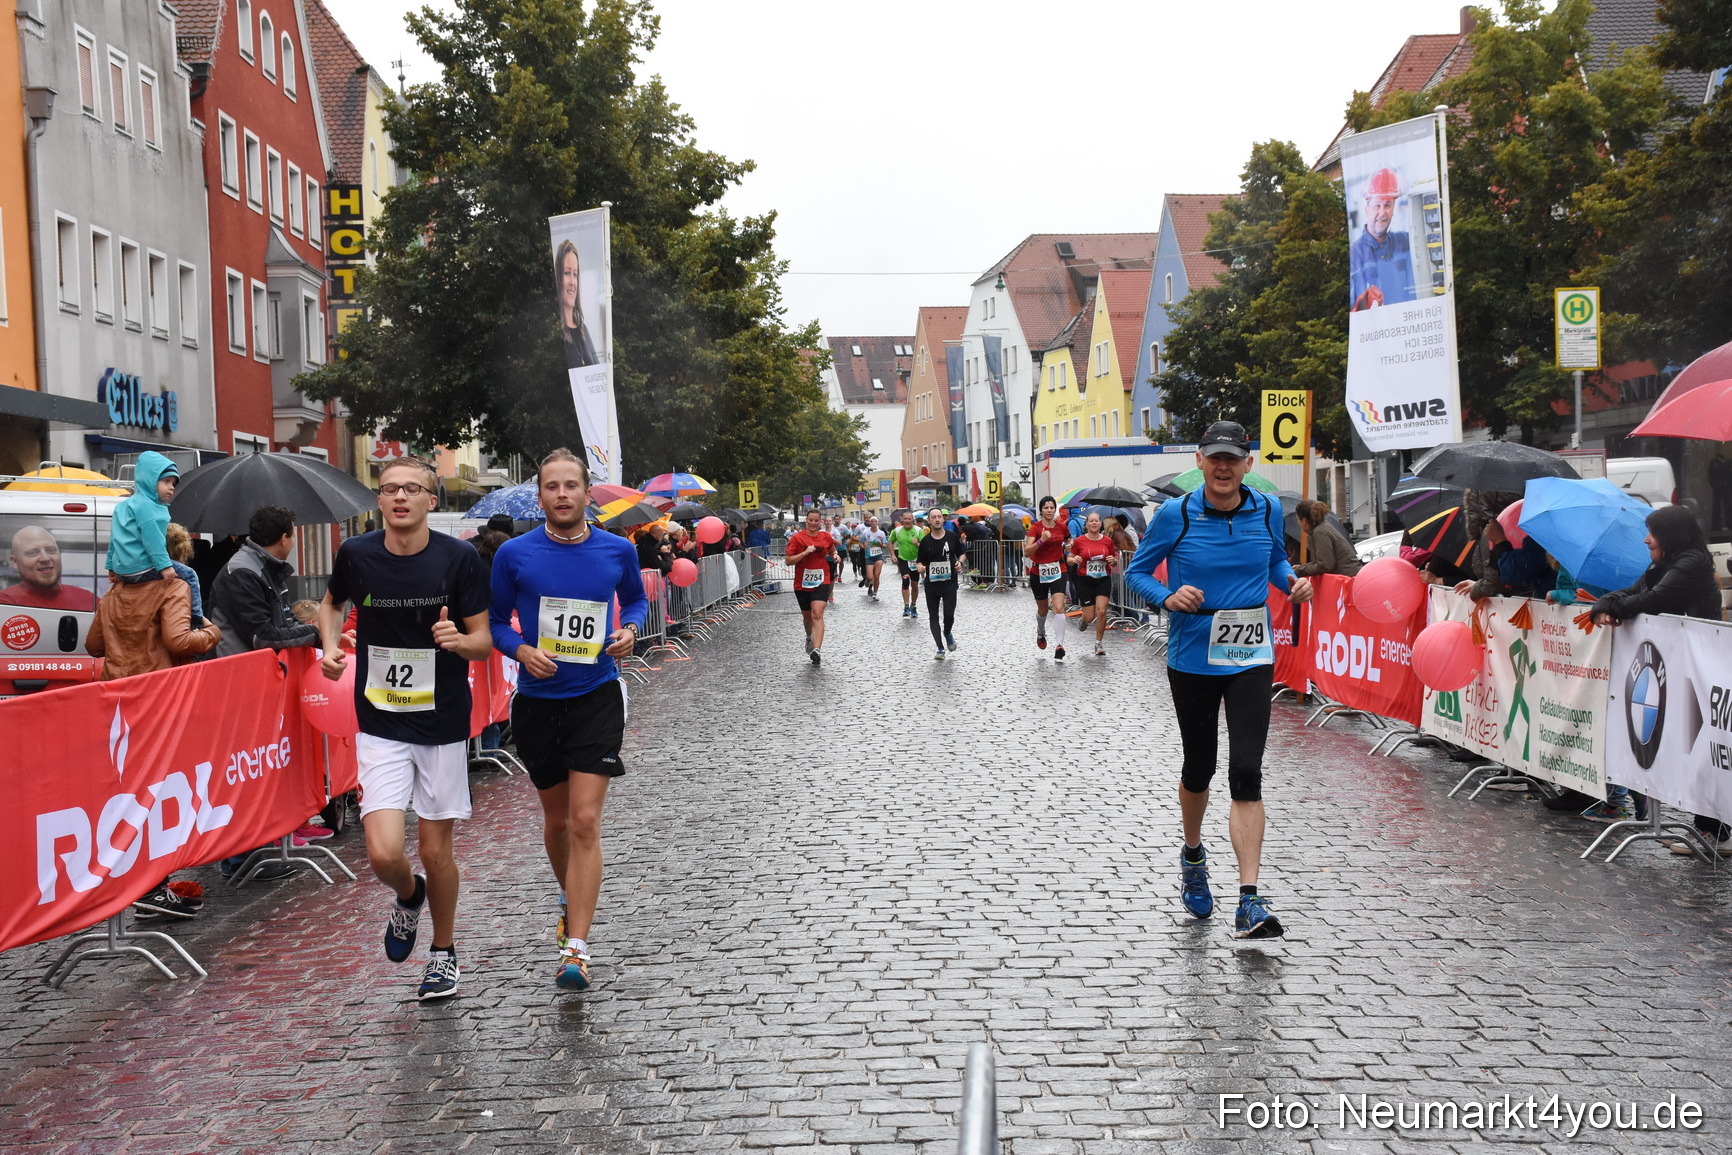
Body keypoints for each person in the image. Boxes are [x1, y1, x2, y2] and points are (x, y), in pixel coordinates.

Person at [1125, 421, 1315, 939]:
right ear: (1201, 461)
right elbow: (1136, 572)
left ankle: (1249, 900)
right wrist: (1166, 596)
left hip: (1252, 654)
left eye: (1233, 458)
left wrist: (1291, 583)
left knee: (1247, 771)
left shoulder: (1266, 509)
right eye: (1215, 458)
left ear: (1247, 463)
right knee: (1200, 765)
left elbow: (1275, 560)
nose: (1224, 467)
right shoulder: (1175, 513)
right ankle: (1192, 854)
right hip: (1193, 657)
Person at [317, 456, 492, 1001]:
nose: (399, 498)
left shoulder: (459, 558)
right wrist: (328, 647)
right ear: (379, 499)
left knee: (437, 850)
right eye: (389, 489)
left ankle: (442, 953)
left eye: (411, 489)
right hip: (380, 720)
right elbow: (329, 606)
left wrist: (456, 642)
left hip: (440, 722)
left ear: (430, 501)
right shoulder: (356, 554)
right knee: (384, 854)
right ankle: (409, 895)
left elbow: (483, 641)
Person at [489, 449, 647, 991]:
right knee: (556, 823)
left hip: (596, 696)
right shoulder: (513, 554)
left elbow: (634, 601)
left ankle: (575, 948)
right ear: (540, 497)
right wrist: (521, 649)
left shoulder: (616, 549)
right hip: (537, 701)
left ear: (586, 495)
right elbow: (493, 621)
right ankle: (568, 897)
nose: (561, 494)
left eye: (570, 486)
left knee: (584, 821)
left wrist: (629, 631)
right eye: (551, 487)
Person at [1589, 505, 1724, 852]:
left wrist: (1614, 608)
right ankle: (1708, 827)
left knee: (1701, 742)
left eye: (1653, 533)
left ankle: (1716, 832)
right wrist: (1603, 605)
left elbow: (1654, 600)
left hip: (1699, 667)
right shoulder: (1665, 562)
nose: (1647, 539)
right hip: (1682, 666)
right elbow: (1633, 591)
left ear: (1671, 536)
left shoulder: (1690, 562)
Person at [208, 507, 322, 658]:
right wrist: (316, 634)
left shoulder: (268, 567)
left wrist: (324, 636)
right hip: (237, 672)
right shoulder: (242, 572)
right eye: (293, 536)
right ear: (283, 539)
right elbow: (263, 636)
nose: (293, 543)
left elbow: (286, 621)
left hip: (256, 668)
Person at [104, 451, 179, 586]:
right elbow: (153, 539)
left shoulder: (122, 506)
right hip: (142, 568)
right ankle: (196, 609)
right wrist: (164, 566)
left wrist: (110, 567)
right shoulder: (148, 507)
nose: (171, 487)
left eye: (173, 483)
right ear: (150, 480)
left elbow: (114, 539)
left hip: (122, 570)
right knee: (190, 576)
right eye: (166, 481)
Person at [1349, 167, 1417, 311]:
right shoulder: (1355, 253)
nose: (1382, 212)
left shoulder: (1406, 241)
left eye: (1387, 205)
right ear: (1367, 210)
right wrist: (1362, 304)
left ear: (1393, 209)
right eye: (1377, 205)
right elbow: (1352, 311)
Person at [0, 525, 97, 610]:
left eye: (50, 550)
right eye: (33, 553)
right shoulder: (5, 602)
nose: (45, 558)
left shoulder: (88, 600)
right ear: (15, 562)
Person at [785, 509, 835, 664]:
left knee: (817, 613)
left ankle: (817, 650)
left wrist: (835, 556)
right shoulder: (797, 538)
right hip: (802, 583)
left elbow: (832, 551)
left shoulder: (826, 537)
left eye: (816, 520)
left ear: (820, 522)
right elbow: (788, 561)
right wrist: (805, 553)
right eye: (810, 520)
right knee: (807, 618)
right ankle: (809, 638)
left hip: (822, 579)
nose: (813, 523)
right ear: (806, 520)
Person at [1024, 495, 1071, 658]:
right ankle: (1041, 631)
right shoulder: (1035, 528)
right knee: (1043, 609)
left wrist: (1069, 545)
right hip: (1038, 571)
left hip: (1059, 568)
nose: (1049, 510)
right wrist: (1041, 541)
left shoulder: (1061, 527)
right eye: (1046, 508)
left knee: (1059, 607)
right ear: (1041, 510)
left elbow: (1068, 538)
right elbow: (1027, 551)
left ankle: (1060, 645)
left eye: (1052, 507)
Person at [915, 507, 965, 659]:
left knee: (949, 615)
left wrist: (959, 563)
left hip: (950, 583)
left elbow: (962, 554)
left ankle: (947, 632)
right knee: (933, 616)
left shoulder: (952, 537)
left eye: (939, 517)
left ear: (943, 519)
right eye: (933, 517)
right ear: (929, 521)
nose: (937, 519)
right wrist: (920, 567)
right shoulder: (925, 542)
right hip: (931, 584)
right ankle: (940, 648)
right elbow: (919, 561)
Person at [1068, 511, 1119, 656]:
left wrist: (1113, 561)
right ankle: (1084, 619)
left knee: (1102, 610)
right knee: (1090, 616)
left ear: (1101, 523)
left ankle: (1098, 643)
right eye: (1091, 521)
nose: (1094, 523)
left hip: (1103, 578)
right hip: (1085, 579)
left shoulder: (1107, 541)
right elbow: (1069, 558)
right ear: (1087, 524)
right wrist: (1074, 560)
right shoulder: (1079, 541)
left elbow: (1114, 559)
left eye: (1097, 520)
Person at [555, 239, 599, 369]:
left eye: (575, 274)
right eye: (567, 273)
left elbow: (598, 372)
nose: (572, 282)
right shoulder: (555, 331)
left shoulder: (583, 330)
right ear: (557, 277)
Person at [1289, 500, 1362, 578]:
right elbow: (1320, 562)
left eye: (1298, 519)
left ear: (1304, 520)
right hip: (1348, 576)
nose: (1298, 523)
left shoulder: (1320, 532)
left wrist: (1299, 570)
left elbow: (1325, 565)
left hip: (1348, 579)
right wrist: (1301, 567)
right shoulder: (1320, 529)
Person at [888, 511, 925, 619]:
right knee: (905, 580)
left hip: (916, 560)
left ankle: (913, 605)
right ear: (902, 520)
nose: (907, 521)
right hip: (903, 559)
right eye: (905, 519)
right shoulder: (897, 530)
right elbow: (890, 542)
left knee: (914, 584)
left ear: (912, 520)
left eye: (909, 519)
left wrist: (917, 544)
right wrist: (892, 555)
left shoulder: (918, 531)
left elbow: (925, 546)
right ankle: (906, 606)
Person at [855, 516, 888, 600]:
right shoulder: (866, 533)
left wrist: (881, 544)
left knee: (876, 575)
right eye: (872, 521)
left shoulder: (881, 533)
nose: (873, 523)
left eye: (875, 521)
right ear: (870, 523)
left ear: (877, 523)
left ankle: (875, 593)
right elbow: (860, 542)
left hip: (879, 556)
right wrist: (864, 547)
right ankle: (869, 581)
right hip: (869, 556)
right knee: (870, 577)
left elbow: (885, 546)